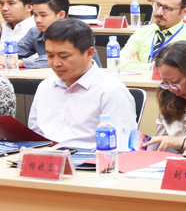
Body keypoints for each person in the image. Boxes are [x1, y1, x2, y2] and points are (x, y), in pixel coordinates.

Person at [28, 18, 137, 147]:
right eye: (50, 55)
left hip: (88, 158)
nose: (55, 63)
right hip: (45, 156)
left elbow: (121, 145)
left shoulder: (112, 91)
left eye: (64, 56)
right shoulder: (45, 86)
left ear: (89, 53)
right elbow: (34, 134)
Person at [121, 0, 186, 71]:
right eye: (158, 5)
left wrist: (137, 66)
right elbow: (119, 63)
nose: (159, 12)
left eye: (168, 8)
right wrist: (152, 68)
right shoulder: (142, 33)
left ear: (184, 12)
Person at [16, 0, 68, 68]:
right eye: (35, 15)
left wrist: (20, 62)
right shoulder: (35, 32)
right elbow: (15, 51)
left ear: (61, 15)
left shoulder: (76, 33)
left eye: (43, 15)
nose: (37, 20)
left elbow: (58, 59)